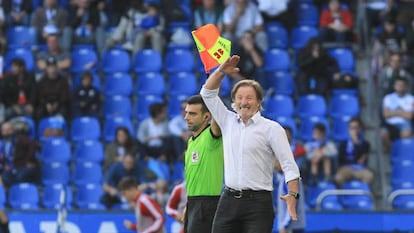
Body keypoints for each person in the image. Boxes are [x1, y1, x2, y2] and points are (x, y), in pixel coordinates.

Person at [200, 55, 300, 233]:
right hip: (228, 200)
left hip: (258, 204)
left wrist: (293, 194)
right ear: (233, 101)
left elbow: (288, 165)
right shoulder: (226, 120)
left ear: (259, 102)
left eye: (249, 98)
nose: (243, 103)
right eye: (239, 98)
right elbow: (207, 93)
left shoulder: (272, 129)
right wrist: (221, 71)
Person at [183, 94, 223, 233]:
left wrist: (211, 94)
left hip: (208, 205)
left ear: (207, 116)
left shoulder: (212, 137)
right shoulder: (191, 141)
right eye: (186, 112)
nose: (186, 117)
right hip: (192, 202)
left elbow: (218, 120)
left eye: (192, 114)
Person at [334, 117, 374, 188]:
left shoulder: (365, 144)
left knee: (369, 176)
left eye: (355, 128)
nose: (353, 130)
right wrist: (353, 161)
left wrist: (355, 142)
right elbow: (341, 160)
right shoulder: (343, 144)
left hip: (360, 168)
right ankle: (345, 197)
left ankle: (361, 195)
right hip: (346, 168)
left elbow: (359, 158)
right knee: (338, 178)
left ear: (359, 129)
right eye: (351, 128)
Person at [381, 76, 414, 151]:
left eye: (402, 85)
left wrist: (393, 112)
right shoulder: (388, 98)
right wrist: (401, 112)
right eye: (398, 85)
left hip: (405, 123)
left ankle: (401, 152)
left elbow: (409, 116)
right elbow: (386, 115)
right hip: (390, 123)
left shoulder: (411, 99)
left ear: (406, 87)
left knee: (407, 134)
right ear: (394, 86)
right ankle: (393, 150)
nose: (400, 87)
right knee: (383, 134)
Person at [35, 56, 70, 120]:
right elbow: (40, 96)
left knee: (64, 112)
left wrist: (57, 103)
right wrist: (46, 104)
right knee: (38, 112)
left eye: (54, 67)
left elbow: (65, 96)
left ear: (57, 68)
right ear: (47, 69)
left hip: (59, 104)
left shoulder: (63, 81)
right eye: (50, 67)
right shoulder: (42, 81)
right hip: (45, 104)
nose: (52, 69)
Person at [275, 160, 306, 233]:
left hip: (292, 227)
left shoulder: (290, 179)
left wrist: (284, 226)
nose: (274, 166)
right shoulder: (286, 177)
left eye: (276, 162)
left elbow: (292, 203)